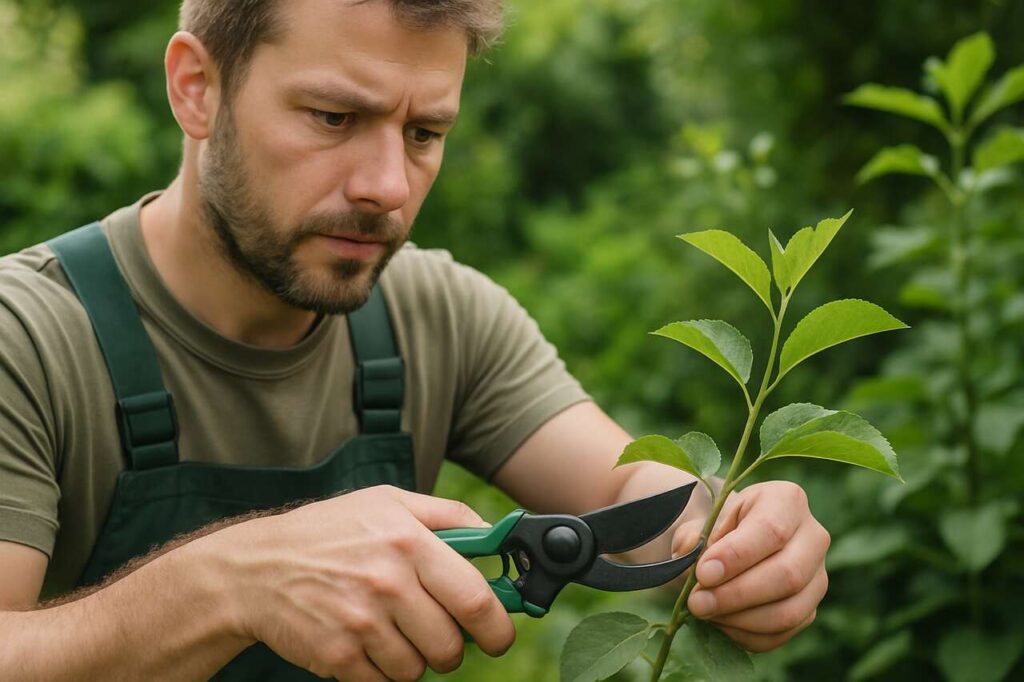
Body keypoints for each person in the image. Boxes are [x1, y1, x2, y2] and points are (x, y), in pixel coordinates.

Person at [0, 0, 831, 679]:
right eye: (333, 117)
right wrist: (223, 584)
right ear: (196, 88)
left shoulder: (438, 315)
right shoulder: (28, 338)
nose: (388, 187)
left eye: (425, 133)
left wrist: (732, 532)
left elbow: (624, 500)